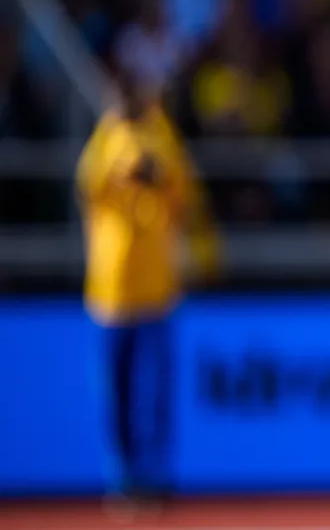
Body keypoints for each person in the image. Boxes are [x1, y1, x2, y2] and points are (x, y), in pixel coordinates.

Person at [76, 68, 219, 514]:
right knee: (115, 394)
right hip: (110, 293)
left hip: (155, 291)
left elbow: (184, 191)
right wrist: (128, 167)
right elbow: (90, 185)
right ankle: (121, 480)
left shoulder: (162, 134)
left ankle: (155, 478)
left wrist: (154, 173)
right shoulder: (105, 138)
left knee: (153, 392)